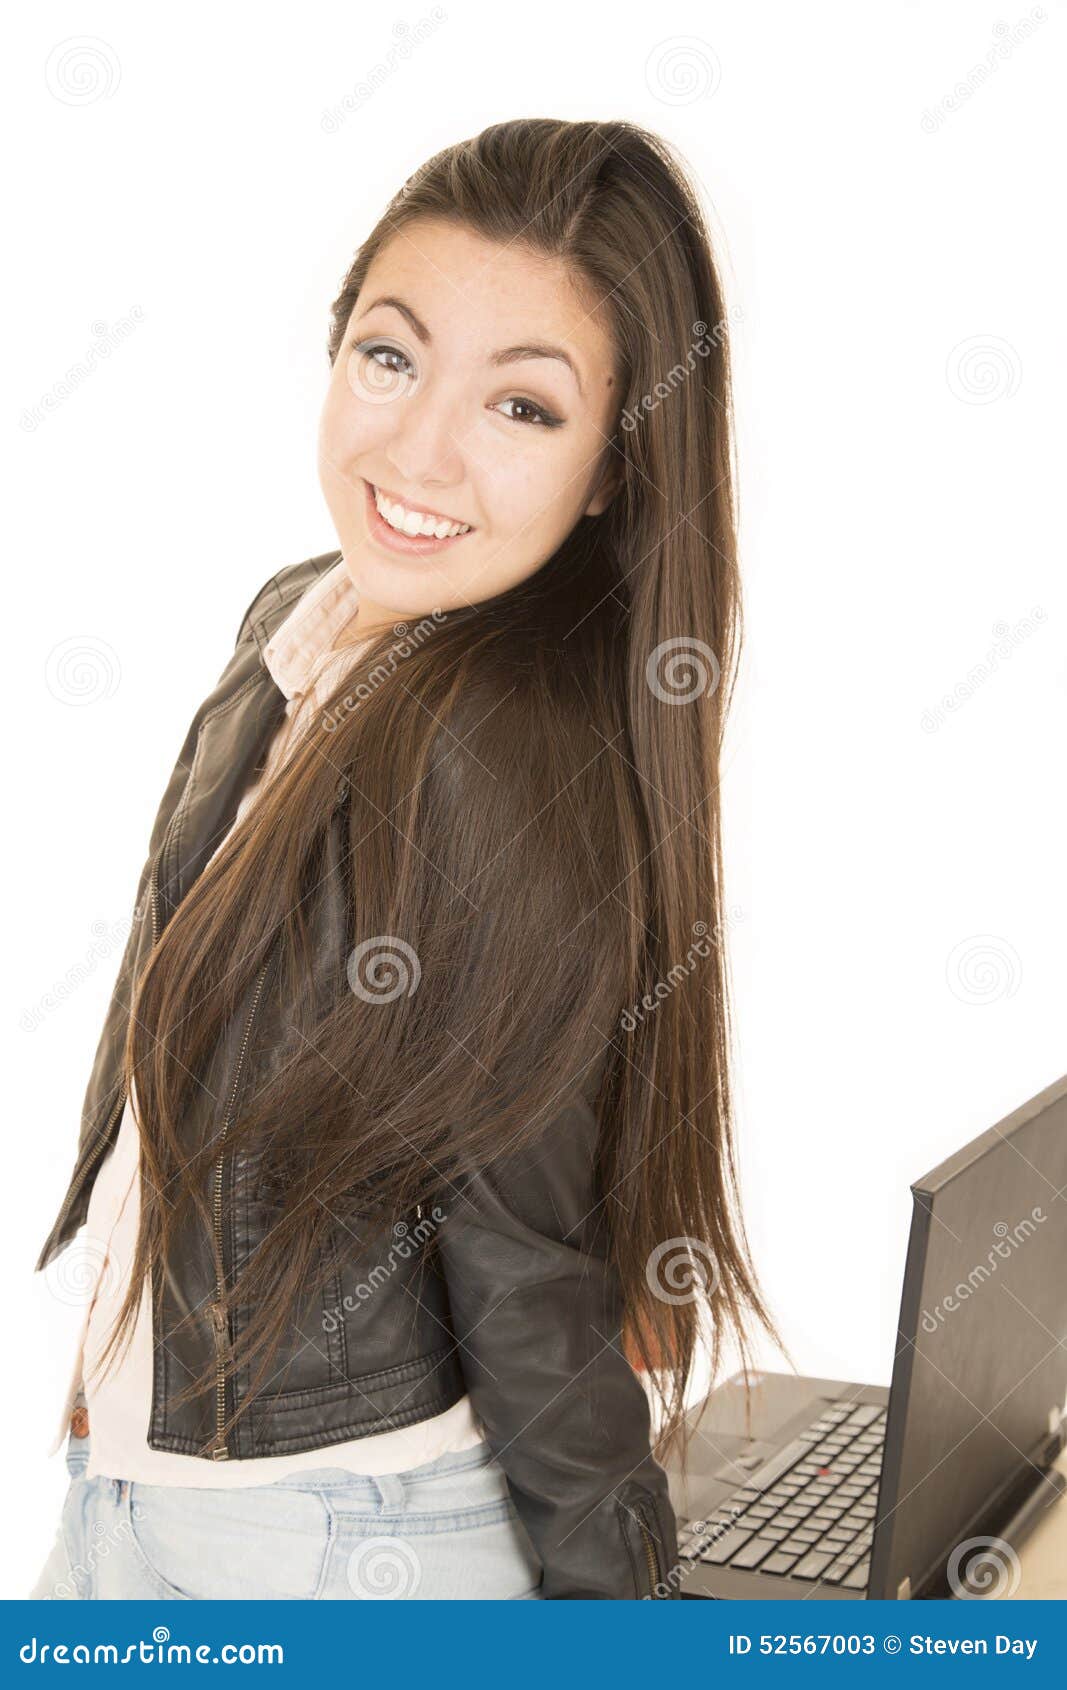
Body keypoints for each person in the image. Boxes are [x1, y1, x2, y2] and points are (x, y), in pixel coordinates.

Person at [30, 115, 779, 1601]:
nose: (420, 449)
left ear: (616, 467)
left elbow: (524, 1270)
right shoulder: (300, 623)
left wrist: (619, 1620)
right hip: (159, 1497)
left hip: (329, 1545)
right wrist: (122, 1351)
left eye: (524, 408)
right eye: (391, 356)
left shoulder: (493, 762)